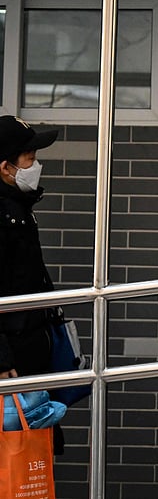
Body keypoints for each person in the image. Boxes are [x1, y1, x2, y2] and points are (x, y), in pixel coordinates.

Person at [0, 115, 67, 451]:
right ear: (5, 167)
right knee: (14, 458)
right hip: (12, 361)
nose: (36, 165)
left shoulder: (18, 207)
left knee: (29, 457)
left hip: (27, 353)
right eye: (30, 158)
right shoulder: (5, 213)